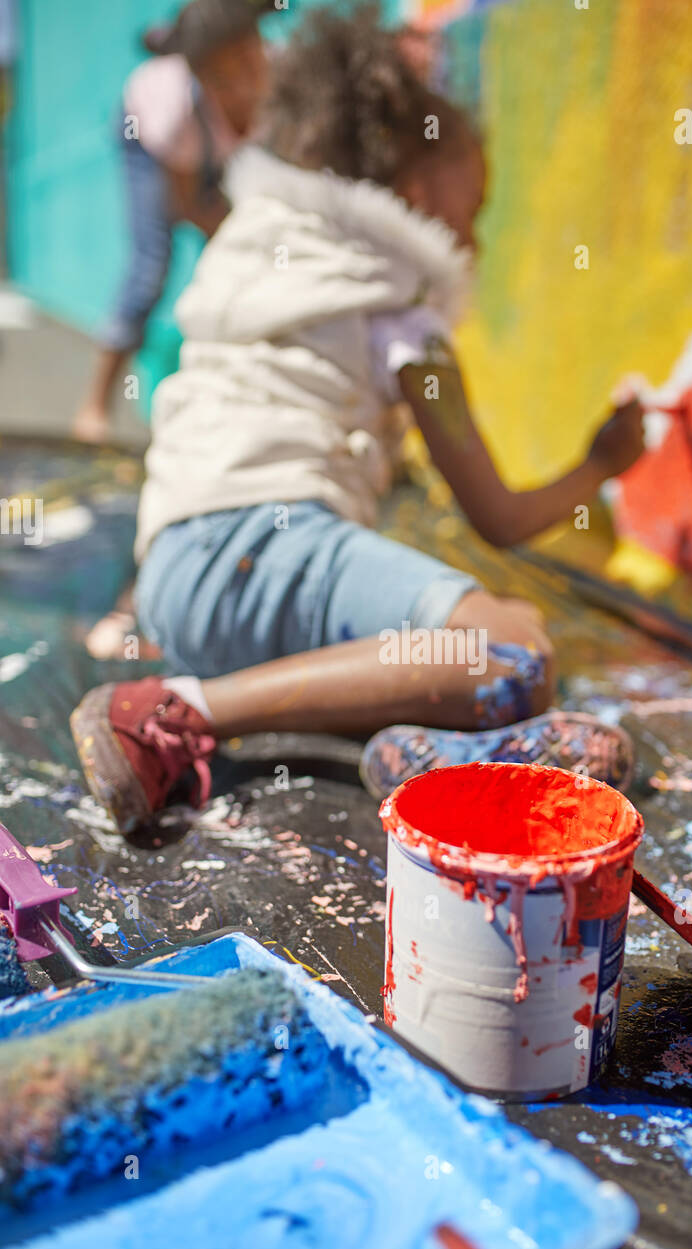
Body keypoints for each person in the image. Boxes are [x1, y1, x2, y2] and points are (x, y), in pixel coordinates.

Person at [70, 4, 645, 836]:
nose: (472, 237)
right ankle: (172, 715)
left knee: (446, 653)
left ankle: (424, 757)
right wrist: (601, 463)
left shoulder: (258, 245)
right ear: (411, 187)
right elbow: (499, 514)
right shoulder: (402, 304)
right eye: (472, 205)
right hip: (265, 553)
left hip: (172, 580)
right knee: (513, 650)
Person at [72, 0, 270, 445]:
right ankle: (94, 406)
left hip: (215, 153)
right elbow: (186, 207)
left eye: (251, 57)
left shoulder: (282, 85)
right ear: (202, 76)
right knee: (150, 265)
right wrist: (237, 241)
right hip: (147, 139)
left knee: (235, 265)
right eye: (227, 73)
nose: (245, 80)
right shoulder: (172, 112)